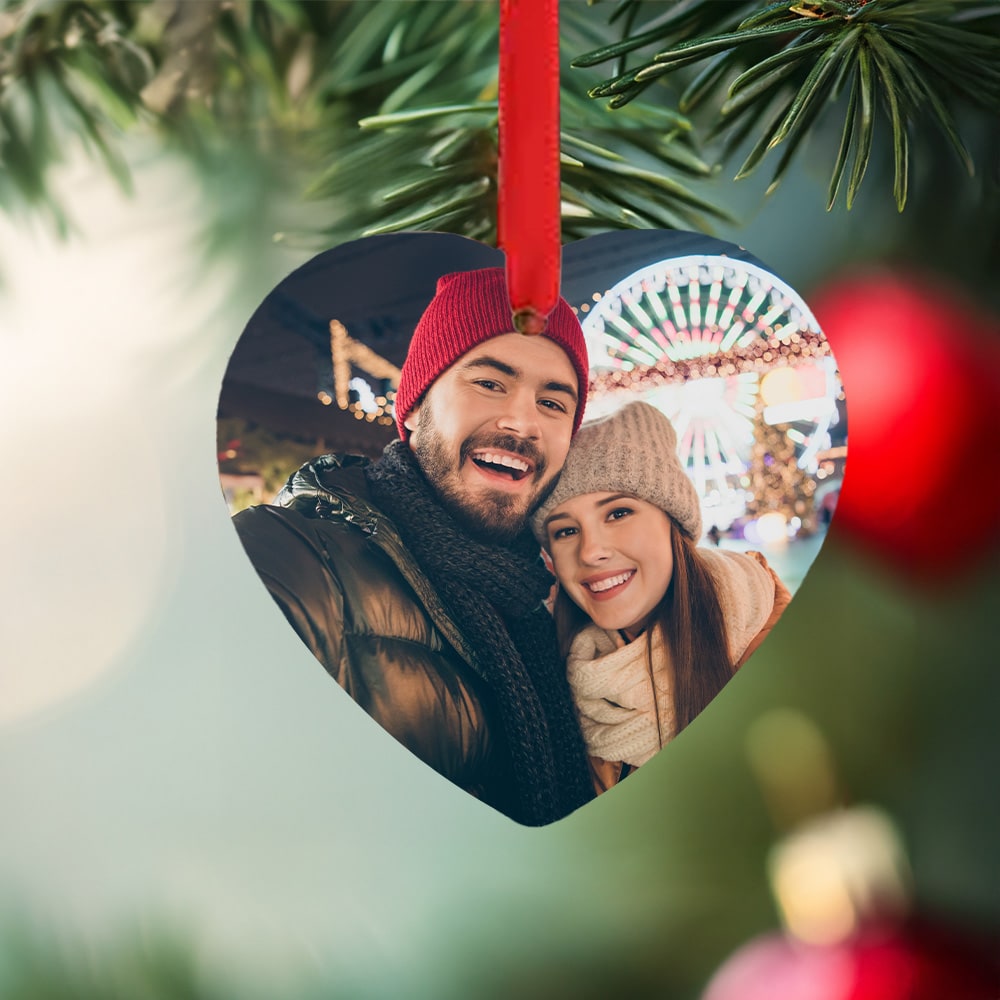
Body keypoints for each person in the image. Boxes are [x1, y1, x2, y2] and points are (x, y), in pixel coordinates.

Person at [234, 267, 596, 826]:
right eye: (489, 383)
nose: (522, 422)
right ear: (414, 406)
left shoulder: (562, 604)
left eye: (554, 404)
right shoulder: (290, 558)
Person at [531, 401, 791, 793]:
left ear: (673, 521)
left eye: (618, 513)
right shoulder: (555, 677)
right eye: (565, 531)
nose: (590, 552)